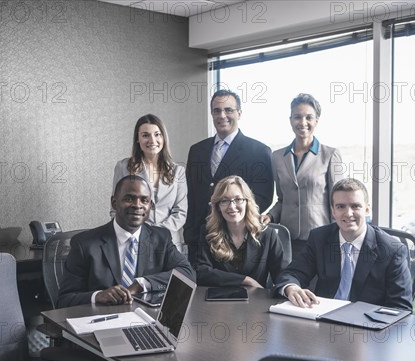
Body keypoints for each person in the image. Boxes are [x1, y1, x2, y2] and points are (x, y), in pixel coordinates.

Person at [273, 178, 413, 311]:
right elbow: (293, 273)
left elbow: (400, 308)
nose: (348, 213)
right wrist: (291, 287)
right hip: (322, 319)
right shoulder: (319, 238)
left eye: (355, 206)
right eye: (341, 207)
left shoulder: (392, 250)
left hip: (366, 327)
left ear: (367, 210)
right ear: (333, 211)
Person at [58, 174, 195, 308]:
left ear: (150, 206)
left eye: (144, 200)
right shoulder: (84, 244)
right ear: (114, 202)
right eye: (129, 199)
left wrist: (141, 284)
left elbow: (187, 274)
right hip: (102, 322)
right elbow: (64, 300)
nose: (137, 205)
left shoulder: (161, 238)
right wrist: (97, 296)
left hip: (144, 319)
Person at [185, 89, 274, 263]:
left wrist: (234, 224)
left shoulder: (259, 151)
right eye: (217, 110)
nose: (222, 115)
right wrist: (189, 231)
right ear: (211, 113)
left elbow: (263, 197)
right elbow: (191, 194)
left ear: (239, 113)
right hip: (197, 240)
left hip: (235, 241)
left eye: (228, 110)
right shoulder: (197, 150)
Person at [261, 93, 345, 257]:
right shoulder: (277, 157)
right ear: (290, 120)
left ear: (316, 121)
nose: (303, 122)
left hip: (321, 238)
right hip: (288, 240)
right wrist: (270, 216)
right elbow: (282, 199)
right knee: (289, 282)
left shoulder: (330, 155)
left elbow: (338, 202)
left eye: (309, 117)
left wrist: (337, 238)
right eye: (297, 117)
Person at [111, 114, 187, 249]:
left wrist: (156, 233)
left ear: (163, 138)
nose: (152, 140)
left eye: (157, 134)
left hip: (169, 243)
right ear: (137, 140)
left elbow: (180, 212)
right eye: (145, 135)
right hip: (134, 242)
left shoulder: (178, 171)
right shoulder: (123, 167)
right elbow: (115, 208)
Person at [195, 175, 284, 288]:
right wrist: (245, 280)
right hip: (219, 301)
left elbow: (282, 273)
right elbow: (201, 272)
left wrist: (290, 287)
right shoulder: (208, 232)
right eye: (224, 200)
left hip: (255, 301)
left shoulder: (268, 234)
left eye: (238, 199)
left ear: (247, 202)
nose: (232, 206)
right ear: (217, 206)